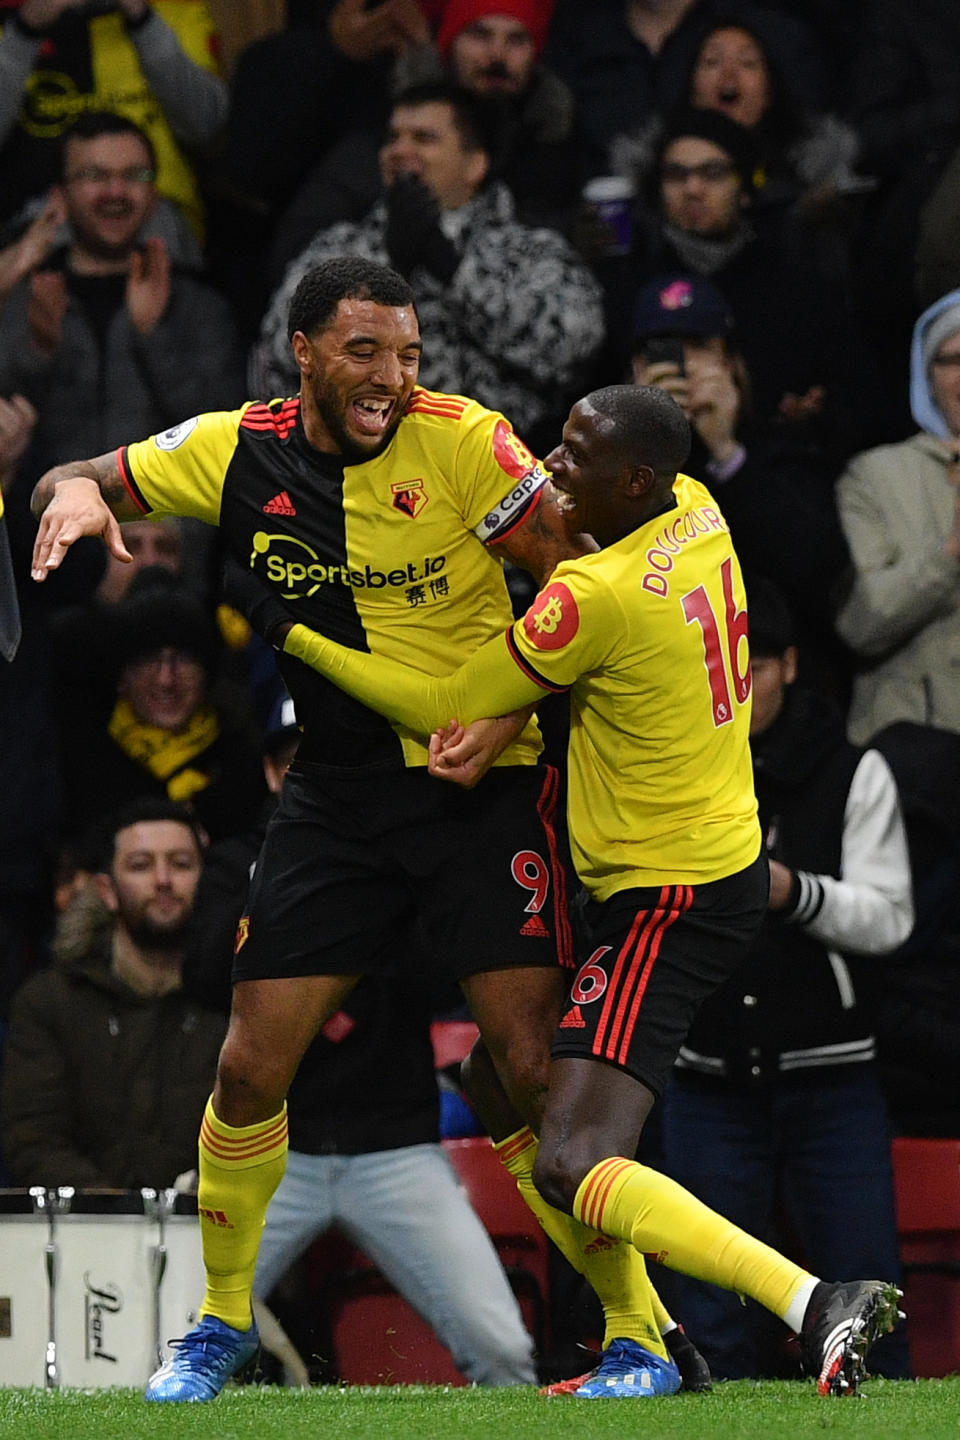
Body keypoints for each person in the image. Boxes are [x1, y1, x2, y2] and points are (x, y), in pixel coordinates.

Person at [30, 255, 700, 1404]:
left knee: (531, 1075)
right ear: (303, 353)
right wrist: (77, 491)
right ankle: (221, 1325)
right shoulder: (237, 448)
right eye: (365, 352)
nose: (393, 376)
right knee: (247, 1067)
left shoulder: (468, 443)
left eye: (408, 353)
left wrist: (509, 715)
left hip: (485, 782)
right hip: (338, 793)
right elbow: (86, 469)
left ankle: (639, 1333)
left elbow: (579, 586)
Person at [256, 380, 903, 1399]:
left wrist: (294, 636)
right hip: (701, 862)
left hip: (669, 897)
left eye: (574, 456)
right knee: (494, 1085)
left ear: (633, 478)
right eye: (557, 444)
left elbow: (440, 704)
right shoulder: (698, 511)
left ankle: (813, 1304)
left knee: (571, 1157)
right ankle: (652, 1339)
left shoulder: (595, 599)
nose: (551, 468)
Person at [186, 692, 538, 1387]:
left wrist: (324, 931)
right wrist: (282, 889)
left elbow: (438, 983)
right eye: (294, 761)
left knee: (503, 1354)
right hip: (274, 1157)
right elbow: (200, 976)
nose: (308, 772)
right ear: (271, 772)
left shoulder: (411, 842)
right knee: (171, 1346)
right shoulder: (240, 861)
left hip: (393, 1148)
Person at [660, 575, 913, 1381]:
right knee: (711, 1324)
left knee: (870, 1310)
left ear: (792, 665)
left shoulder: (853, 770)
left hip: (831, 1083)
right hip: (706, 1079)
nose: (742, 684)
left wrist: (788, 890)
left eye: (758, 665)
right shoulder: (678, 766)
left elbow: (891, 918)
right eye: (726, 665)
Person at [250, 82, 604, 452]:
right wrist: (386, 275)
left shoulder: (530, 253)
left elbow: (569, 348)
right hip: (360, 467)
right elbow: (281, 352)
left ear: (474, 164)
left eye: (424, 138)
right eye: (393, 138)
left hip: (495, 468)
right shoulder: (337, 248)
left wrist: (452, 270)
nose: (400, 151)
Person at [629, 271, 852, 700]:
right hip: (663, 685)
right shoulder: (611, 463)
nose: (684, 367)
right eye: (663, 352)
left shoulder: (785, 452)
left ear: (731, 362)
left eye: (699, 348)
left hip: (783, 690)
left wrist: (726, 452)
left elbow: (817, 569)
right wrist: (640, 439)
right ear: (636, 371)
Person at [268, 0, 589, 281]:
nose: (497, 55)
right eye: (479, 35)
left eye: (516, 39)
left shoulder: (557, 150)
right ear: (448, 45)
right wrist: (389, 254)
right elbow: (295, 266)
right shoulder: (390, 143)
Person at [0, 112, 246, 475]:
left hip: (157, 525)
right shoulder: (24, 295)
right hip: (41, 524)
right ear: (60, 197)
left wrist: (154, 337)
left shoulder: (199, 304)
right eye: (95, 176)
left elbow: (231, 436)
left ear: (153, 197)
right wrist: (37, 350)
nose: (115, 192)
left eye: (133, 176)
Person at [0, 796, 225, 1189]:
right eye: (140, 865)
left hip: (211, 1228)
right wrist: (115, 1216)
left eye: (181, 864)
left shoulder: (237, 1002)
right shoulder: (51, 1002)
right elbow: (32, 1138)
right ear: (106, 889)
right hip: (86, 1233)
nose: (163, 881)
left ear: (205, 880)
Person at [55, 568, 267, 847]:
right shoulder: (80, 762)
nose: (166, 679)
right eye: (148, 659)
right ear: (121, 676)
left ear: (207, 674)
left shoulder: (244, 762)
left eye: (184, 659)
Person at [834, 287, 960, 745]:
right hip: (911, 748)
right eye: (953, 359)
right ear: (927, 373)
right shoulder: (875, 476)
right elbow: (861, 624)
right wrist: (949, 554)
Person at [0, 0, 227, 249]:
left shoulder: (177, 14)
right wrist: (25, 31)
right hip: (30, 219)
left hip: (156, 215)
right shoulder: (11, 26)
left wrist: (142, 20)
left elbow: (209, 129)